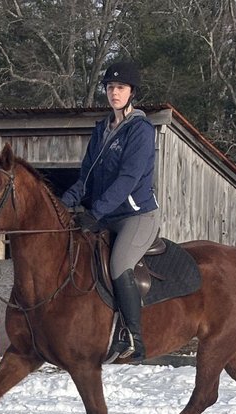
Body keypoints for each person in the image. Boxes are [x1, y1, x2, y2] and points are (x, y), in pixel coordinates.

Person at [61, 59, 160, 361]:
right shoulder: (102, 130)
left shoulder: (140, 130)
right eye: (110, 87)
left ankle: (133, 336)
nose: (114, 92)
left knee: (118, 264)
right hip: (107, 215)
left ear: (132, 93)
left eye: (121, 87)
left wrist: (95, 212)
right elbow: (87, 177)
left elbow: (128, 180)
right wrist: (60, 205)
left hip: (137, 215)